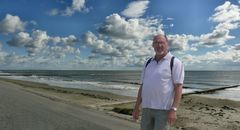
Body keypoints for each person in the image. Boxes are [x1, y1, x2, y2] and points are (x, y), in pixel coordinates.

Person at [132, 34, 184, 130]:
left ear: (167, 44)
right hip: (146, 108)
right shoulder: (148, 63)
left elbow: (178, 87)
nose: (159, 45)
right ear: (152, 45)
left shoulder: (175, 62)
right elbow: (143, 86)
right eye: (156, 43)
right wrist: (136, 107)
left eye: (161, 42)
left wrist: (174, 109)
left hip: (163, 110)